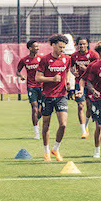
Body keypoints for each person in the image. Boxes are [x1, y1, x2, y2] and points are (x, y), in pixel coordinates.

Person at [36, 34, 72, 162]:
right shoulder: (45, 59)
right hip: (47, 96)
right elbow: (38, 78)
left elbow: (67, 71)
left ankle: (55, 149)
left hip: (62, 95)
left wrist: (67, 82)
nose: (62, 49)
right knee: (46, 125)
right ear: (53, 45)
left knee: (63, 125)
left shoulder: (67, 59)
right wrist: (52, 79)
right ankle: (46, 152)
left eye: (63, 47)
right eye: (60, 47)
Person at [70, 37, 98, 140]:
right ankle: (83, 131)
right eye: (80, 44)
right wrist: (73, 72)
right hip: (79, 83)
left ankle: (86, 125)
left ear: (87, 44)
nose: (81, 46)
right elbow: (71, 66)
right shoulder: (74, 56)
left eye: (83, 44)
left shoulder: (93, 55)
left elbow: (97, 69)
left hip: (90, 83)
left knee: (89, 107)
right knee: (81, 106)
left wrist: (86, 69)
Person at [16, 40, 44, 139]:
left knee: (41, 111)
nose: (37, 48)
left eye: (38, 46)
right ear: (30, 48)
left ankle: (37, 118)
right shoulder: (24, 60)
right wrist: (21, 76)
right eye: (35, 46)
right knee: (34, 107)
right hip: (31, 86)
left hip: (42, 86)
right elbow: (17, 71)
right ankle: (36, 133)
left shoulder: (42, 59)